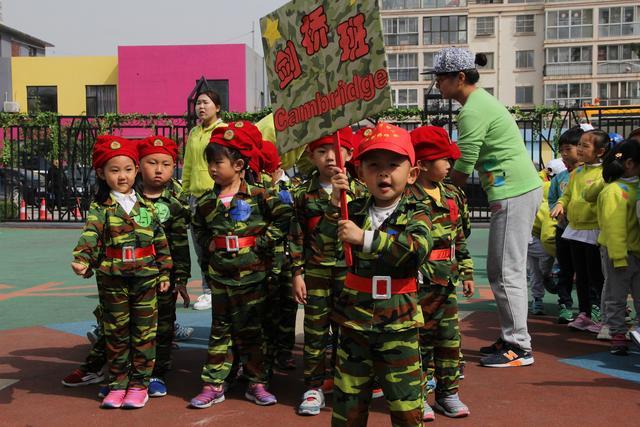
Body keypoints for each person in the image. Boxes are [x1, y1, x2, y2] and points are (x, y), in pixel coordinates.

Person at [432, 47, 542, 367]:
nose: (437, 84)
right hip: (513, 189)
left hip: (513, 191)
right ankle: (511, 336)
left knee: (505, 271)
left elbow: (464, 164)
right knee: (502, 269)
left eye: (441, 78)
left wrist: (441, 195)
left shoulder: (472, 110)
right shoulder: (478, 104)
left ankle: (519, 346)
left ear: (460, 77)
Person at [317, 122, 432, 426]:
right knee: (348, 407)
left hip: (399, 325)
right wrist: (333, 204)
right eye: (373, 165)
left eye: (393, 165)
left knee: (406, 407)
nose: (384, 173)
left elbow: (414, 250)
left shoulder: (418, 211)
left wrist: (364, 238)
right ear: (360, 173)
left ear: (412, 174)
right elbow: (324, 247)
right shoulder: (349, 211)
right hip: (354, 322)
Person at [189, 121, 303, 409]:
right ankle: (213, 383)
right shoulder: (206, 201)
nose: (213, 169)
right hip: (222, 279)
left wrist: (264, 242)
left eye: (218, 162)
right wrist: (209, 244)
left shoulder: (259, 196)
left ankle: (257, 383)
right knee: (220, 332)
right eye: (210, 163)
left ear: (239, 165)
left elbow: (284, 216)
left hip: (255, 278)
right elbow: (199, 228)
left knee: (255, 332)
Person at [71, 135, 173, 409]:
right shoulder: (99, 208)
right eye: (114, 170)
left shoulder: (148, 206)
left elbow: (160, 242)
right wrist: (82, 258)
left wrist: (164, 274)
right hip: (112, 278)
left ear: (136, 170)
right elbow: (91, 235)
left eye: (127, 169)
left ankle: (139, 385)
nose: (122, 176)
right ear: (102, 174)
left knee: (144, 333)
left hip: (146, 277)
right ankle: (117, 384)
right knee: (116, 333)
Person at [292, 128, 367, 416]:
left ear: (349, 155)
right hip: (316, 272)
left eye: (337, 150)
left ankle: (344, 380)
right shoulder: (302, 193)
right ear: (312, 156)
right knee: (315, 331)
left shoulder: (360, 191)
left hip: (350, 272)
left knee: (349, 330)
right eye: (321, 151)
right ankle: (313, 386)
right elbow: (296, 237)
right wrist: (297, 273)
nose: (330, 157)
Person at [408, 125, 473, 421]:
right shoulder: (407, 197)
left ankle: (448, 394)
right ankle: (418, 396)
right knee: (417, 341)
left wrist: (468, 272)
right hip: (416, 284)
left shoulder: (453, 195)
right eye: (444, 159)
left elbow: (460, 238)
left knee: (449, 340)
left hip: (446, 282)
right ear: (421, 165)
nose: (450, 165)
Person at [136, 135, 192, 396]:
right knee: (133, 324)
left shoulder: (175, 203)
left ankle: (158, 372)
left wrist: (181, 277)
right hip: (132, 274)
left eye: (166, 164)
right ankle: (130, 370)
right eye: (152, 162)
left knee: (164, 323)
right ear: (139, 165)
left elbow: (180, 244)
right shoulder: (128, 197)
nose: (159, 169)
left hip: (164, 276)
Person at [550, 130, 610, 333]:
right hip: (574, 230)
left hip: (593, 230)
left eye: (586, 146)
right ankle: (584, 313)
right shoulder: (576, 173)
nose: (580, 149)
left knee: (597, 276)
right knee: (581, 276)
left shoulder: (605, 173)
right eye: (580, 145)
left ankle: (601, 313)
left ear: (600, 151)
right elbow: (566, 196)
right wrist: (559, 204)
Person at [182, 90, 227, 311]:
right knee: (201, 247)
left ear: (217, 107)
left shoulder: (223, 131)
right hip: (196, 197)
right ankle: (208, 290)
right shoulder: (194, 133)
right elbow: (188, 164)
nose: (201, 107)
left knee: (219, 244)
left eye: (206, 103)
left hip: (216, 195)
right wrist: (185, 191)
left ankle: (220, 287)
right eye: (198, 103)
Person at [596, 140, 640, 355]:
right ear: (630, 163)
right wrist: (619, 257)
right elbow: (614, 228)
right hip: (619, 254)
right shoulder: (614, 191)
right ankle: (618, 334)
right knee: (617, 295)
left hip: (635, 253)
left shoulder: (636, 186)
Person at [259, 141, 299, 373]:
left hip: (288, 256)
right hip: (265, 258)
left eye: (269, 166)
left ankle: (285, 351)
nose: (266, 172)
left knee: (288, 306)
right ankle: (268, 352)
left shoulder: (294, 187)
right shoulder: (256, 188)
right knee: (267, 308)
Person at [548, 126, 587, 323]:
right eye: (561, 149)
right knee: (565, 270)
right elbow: (553, 199)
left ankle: (588, 309)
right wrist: (558, 210)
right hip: (564, 230)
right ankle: (564, 305)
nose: (563, 154)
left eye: (567, 149)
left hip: (585, 232)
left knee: (586, 272)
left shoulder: (590, 175)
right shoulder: (560, 178)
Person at [528, 160, 564, 315]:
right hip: (544, 244)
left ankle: (537, 299)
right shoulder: (554, 200)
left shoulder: (533, 188)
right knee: (544, 269)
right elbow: (549, 235)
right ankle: (549, 280)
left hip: (528, 238)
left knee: (534, 272)